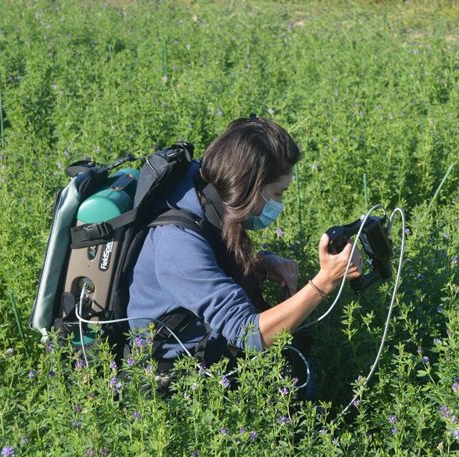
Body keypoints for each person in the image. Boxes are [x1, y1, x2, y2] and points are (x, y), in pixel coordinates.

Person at [127, 115, 362, 379]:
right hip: (173, 375)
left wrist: (259, 264)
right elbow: (248, 333)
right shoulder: (177, 241)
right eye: (277, 194)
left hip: (205, 342)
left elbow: (212, 259)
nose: (279, 205)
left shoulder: (208, 191)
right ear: (249, 187)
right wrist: (324, 282)